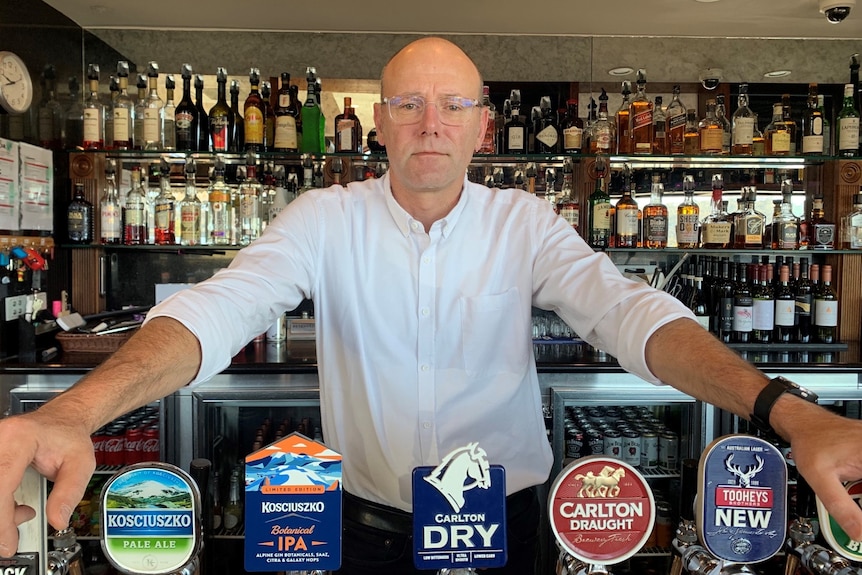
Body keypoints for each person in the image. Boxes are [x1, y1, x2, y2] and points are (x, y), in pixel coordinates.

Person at [1, 36, 862, 574]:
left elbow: (628, 313)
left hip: (503, 521)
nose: (430, 123)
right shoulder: (323, 219)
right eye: (409, 104)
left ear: (483, 128)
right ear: (378, 122)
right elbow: (221, 309)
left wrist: (790, 412)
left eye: (453, 105)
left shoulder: (525, 222)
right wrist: (78, 410)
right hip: (364, 526)